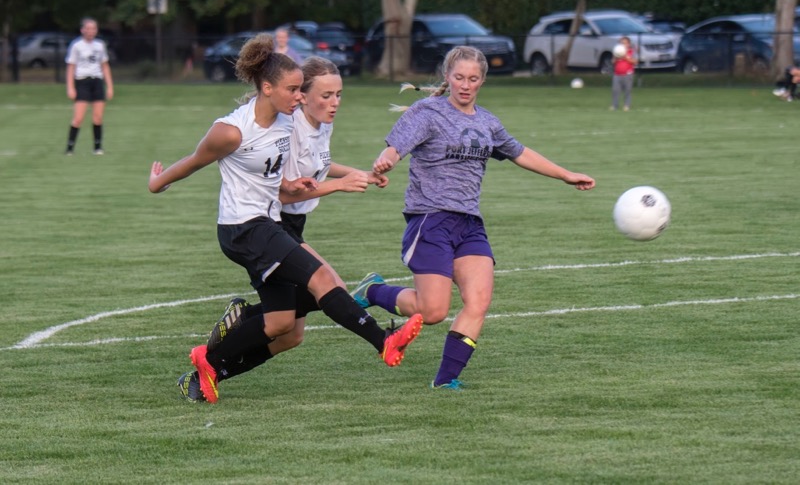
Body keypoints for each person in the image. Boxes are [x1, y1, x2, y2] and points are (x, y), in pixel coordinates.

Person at [148, 35, 422, 403]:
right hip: (244, 227)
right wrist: (158, 183)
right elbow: (195, 161)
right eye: (294, 90)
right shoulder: (231, 130)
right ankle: (384, 341)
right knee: (325, 280)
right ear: (267, 87)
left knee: (283, 326)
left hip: (267, 222)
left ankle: (209, 364)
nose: (299, 97)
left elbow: (276, 178)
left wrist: (296, 181)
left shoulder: (283, 121)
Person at [350, 45, 596, 391]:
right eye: (459, 77)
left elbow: (520, 153)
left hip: (469, 225)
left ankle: (446, 379)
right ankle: (372, 290)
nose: (465, 85)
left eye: (473, 79)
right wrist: (385, 161)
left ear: (482, 81)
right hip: (430, 219)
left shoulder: (487, 122)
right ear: (448, 77)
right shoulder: (427, 112)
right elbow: (394, 147)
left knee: (478, 301)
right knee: (432, 312)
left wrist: (566, 174)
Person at [65, 17, 114, 155]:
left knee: (98, 116)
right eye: (88, 28)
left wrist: (109, 86)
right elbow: (71, 67)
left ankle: (97, 147)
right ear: (82, 30)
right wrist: (70, 87)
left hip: (97, 81)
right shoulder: (76, 46)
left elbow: (105, 66)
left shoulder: (100, 45)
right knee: (78, 117)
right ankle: (70, 148)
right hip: (82, 81)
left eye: (93, 28)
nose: (91, 31)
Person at [610, 36, 636, 112]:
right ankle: (615, 105)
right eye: (621, 43)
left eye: (625, 43)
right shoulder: (617, 52)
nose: (623, 44)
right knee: (615, 90)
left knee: (627, 90)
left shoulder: (631, 51)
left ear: (628, 44)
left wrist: (626, 57)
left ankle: (626, 105)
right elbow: (612, 62)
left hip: (627, 74)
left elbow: (635, 61)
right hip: (617, 74)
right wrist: (615, 58)